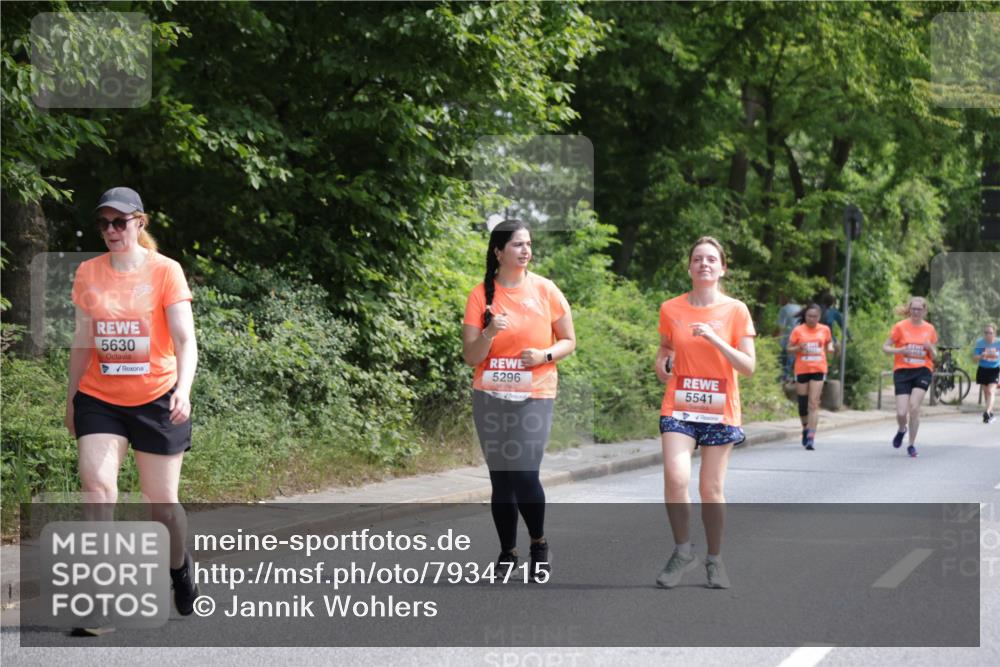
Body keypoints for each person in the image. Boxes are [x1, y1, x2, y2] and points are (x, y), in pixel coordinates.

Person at [65, 187, 199, 633]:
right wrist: (70, 399)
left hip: (157, 396)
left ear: (140, 223)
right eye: (103, 223)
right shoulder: (88, 272)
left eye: (119, 222)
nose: (110, 230)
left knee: (161, 506)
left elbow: (184, 339)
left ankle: (179, 568)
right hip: (99, 398)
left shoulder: (166, 271)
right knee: (98, 488)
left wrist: (183, 387)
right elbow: (83, 340)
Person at [461, 219, 576, 582]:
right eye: (517, 245)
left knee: (525, 472)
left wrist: (544, 356)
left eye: (528, 244)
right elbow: (470, 356)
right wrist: (489, 333)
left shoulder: (546, 290)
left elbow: (569, 341)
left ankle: (538, 544)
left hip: (534, 394)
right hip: (490, 395)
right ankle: (507, 552)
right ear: (499, 251)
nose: (526, 251)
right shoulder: (481, 294)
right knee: (502, 480)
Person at [654, 236, 756, 590]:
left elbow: (748, 366)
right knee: (675, 477)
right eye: (698, 259)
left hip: (719, 409)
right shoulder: (671, 309)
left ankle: (714, 559)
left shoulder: (736, 310)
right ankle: (683, 551)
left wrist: (715, 339)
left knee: (710, 488)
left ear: (722, 268)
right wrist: (661, 364)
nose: (704, 264)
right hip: (679, 405)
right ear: (689, 267)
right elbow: (665, 349)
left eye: (712, 259)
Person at [882, 296, 937, 458]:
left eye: (919, 309)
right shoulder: (900, 327)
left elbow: (934, 357)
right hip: (903, 371)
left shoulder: (929, 329)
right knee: (901, 412)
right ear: (909, 309)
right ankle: (901, 429)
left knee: (914, 407)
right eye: (913, 309)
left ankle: (911, 445)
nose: (916, 312)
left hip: (922, 370)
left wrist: (930, 348)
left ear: (924, 311)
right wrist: (900, 351)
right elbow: (885, 347)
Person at [786, 304, 835, 450]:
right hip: (802, 369)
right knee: (802, 404)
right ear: (805, 316)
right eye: (809, 316)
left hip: (819, 368)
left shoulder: (824, 329)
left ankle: (811, 437)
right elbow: (788, 349)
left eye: (814, 316)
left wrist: (831, 347)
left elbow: (829, 342)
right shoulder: (798, 330)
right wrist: (798, 348)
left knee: (813, 403)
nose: (812, 319)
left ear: (819, 317)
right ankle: (805, 428)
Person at [973, 323, 999, 424]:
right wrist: (981, 356)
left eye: (990, 333)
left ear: (994, 333)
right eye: (986, 333)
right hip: (983, 369)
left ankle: (987, 412)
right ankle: (990, 413)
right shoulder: (980, 343)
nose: (988, 335)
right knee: (986, 392)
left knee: (991, 391)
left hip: (994, 369)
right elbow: (974, 359)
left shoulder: (998, 343)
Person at [777, 295, 802, 383]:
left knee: (785, 361)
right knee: (795, 359)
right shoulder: (799, 308)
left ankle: (784, 380)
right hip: (800, 338)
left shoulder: (784, 309)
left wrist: (777, 339)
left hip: (788, 339)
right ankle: (795, 378)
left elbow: (781, 326)